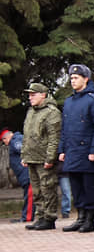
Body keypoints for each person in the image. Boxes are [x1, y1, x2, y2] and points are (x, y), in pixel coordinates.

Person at [59, 64, 94, 233]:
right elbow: (65, 128)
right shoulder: (69, 101)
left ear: (86, 79)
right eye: (71, 78)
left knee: (89, 187)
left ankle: (89, 218)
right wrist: (62, 149)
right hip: (72, 152)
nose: (72, 81)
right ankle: (80, 216)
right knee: (76, 187)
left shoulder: (93, 101)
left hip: (87, 153)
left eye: (76, 78)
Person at [21, 83, 62, 230]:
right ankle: (40, 216)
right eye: (29, 95)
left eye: (33, 94)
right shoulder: (31, 112)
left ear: (43, 95)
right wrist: (24, 155)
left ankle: (49, 217)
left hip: (44, 158)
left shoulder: (52, 112)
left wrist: (50, 158)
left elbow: (54, 137)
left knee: (47, 188)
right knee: (36, 189)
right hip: (31, 156)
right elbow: (27, 135)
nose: (30, 97)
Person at [1, 128, 34, 222]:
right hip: (24, 174)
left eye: (4, 140)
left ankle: (27, 218)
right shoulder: (17, 140)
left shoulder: (15, 141)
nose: (5, 142)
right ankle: (27, 216)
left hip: (27, 174)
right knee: (28, 196)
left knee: (29, 197)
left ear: (6, 138)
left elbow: (24, 150)